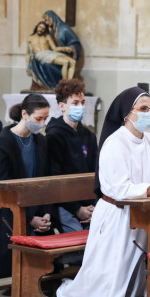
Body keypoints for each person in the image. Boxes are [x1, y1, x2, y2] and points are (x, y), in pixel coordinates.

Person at [56, 87, 150, 297]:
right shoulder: (114, 143)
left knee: (134, 269)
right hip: (116, 215)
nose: (149, 113)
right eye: (143, 109)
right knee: (110, 270)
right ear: (127, 113)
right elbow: (119, 188)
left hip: (145, 215)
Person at [0, 94, 56, 279]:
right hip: (6, 205)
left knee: (50, 252)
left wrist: (46, 212)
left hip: (35, 204)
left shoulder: (41, 141)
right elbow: (1, 186)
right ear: (25, 114)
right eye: (38, 119)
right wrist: (29, 218)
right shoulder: (3, 142)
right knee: (11, 250)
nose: (42, 124)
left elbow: (46, 180)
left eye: (45, 119)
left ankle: (41, 281)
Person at [46, 78, 98, 233]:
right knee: (77, 240)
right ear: (62, 106)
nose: (80, 107)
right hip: (64, 203)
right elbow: (54, 178)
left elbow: (95, 172)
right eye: (75, 103)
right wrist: (77, 209)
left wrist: (93, 205)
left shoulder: (89, 136)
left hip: (89, 202)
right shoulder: (54, 135)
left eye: (82, 102)